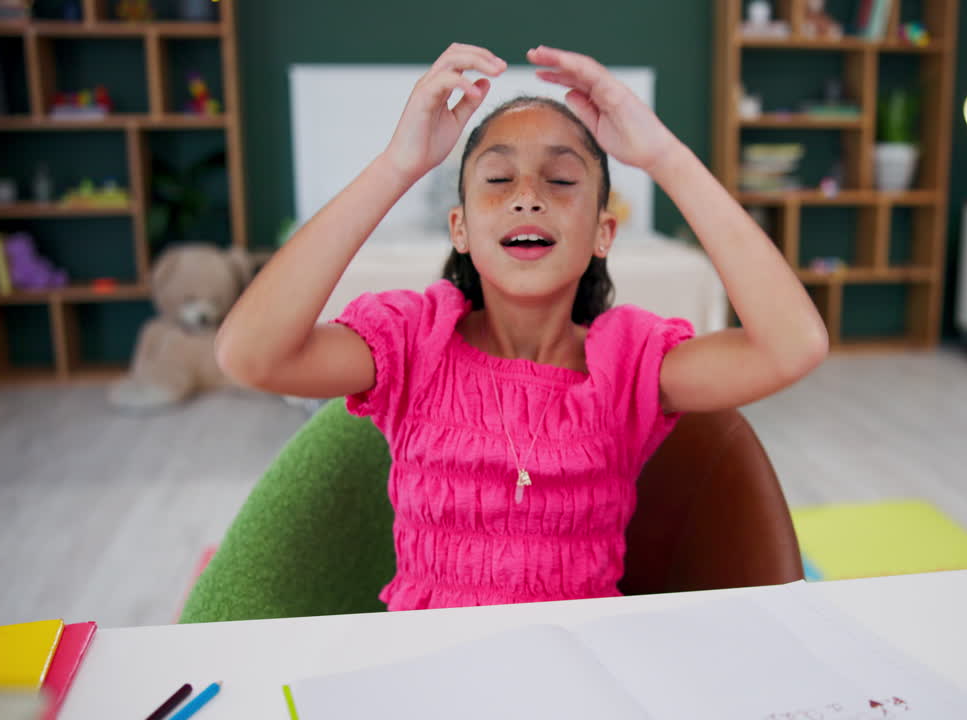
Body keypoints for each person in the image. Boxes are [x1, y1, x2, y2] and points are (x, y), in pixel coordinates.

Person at [215, 43, 828, 611]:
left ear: (601, 234)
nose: (528, 196)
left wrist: (664, 156)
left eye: (561, 181)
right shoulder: (412, 340)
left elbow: (793, 346)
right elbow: (250, 355)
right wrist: (398, 165)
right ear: (459, 228)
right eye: (498, 179)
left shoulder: (632, 361)